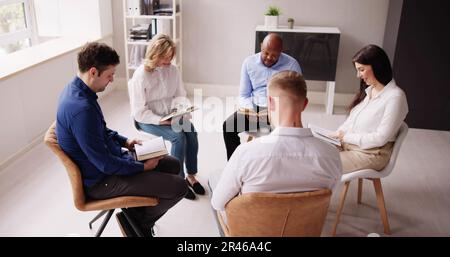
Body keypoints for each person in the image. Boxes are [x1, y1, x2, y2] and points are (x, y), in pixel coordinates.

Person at [56, 42, 187, 237]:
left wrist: (125, 142)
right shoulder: (81, 109)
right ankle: (137, 223)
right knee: (179, 187)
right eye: (109, 75)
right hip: (102, 181)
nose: (111, 80)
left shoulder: (78, 91)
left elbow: (101, 130)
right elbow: (105, 165)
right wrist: (142, 167)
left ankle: (134, 215)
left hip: (112, 162)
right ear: (93, 72)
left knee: (173, 164)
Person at [210, 71, 342, 235]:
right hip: (302, 231)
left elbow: (218, 204)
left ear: (270, 102)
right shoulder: (332, 156)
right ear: (305, 103)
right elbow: (327, 197)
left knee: (215, 180)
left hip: (252, 232)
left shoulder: (246, 153)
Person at [128, 34, 205, 200]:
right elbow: (139, 111)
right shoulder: (140, 76)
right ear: (154, 54)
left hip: (170, 114)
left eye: (170, 57)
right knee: (178, 137)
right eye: (165, 57)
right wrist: (160, 120)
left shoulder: (173, 70)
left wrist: (181, 111)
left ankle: (191, 176)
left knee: (191, 132)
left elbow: (180, 95)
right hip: (147, 119)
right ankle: (177, 181)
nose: (169, 61)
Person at [222, 33, 302, 160]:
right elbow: (243, 95)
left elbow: (297, 97)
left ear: (281, 52)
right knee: (228, 126)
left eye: (274, 55)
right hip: (254, 109)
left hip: (279, 110)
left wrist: (274, 112)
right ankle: (235, 165)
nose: (269, 57)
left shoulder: (292, 65)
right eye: (266, 53)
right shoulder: (249, 63)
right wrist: (252, 111)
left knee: (277, 141)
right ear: (261, 47)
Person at [331, 44, 409, 173]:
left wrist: (344, 137)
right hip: (350, 145)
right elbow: (351, 122)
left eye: (361, 70)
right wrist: (336, 135)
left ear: (377, 67)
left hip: (371, 153)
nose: (358, 75)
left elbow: (380, 138)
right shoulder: (370, 91)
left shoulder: (395, 97)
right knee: (313, 152)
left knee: (323, 163)